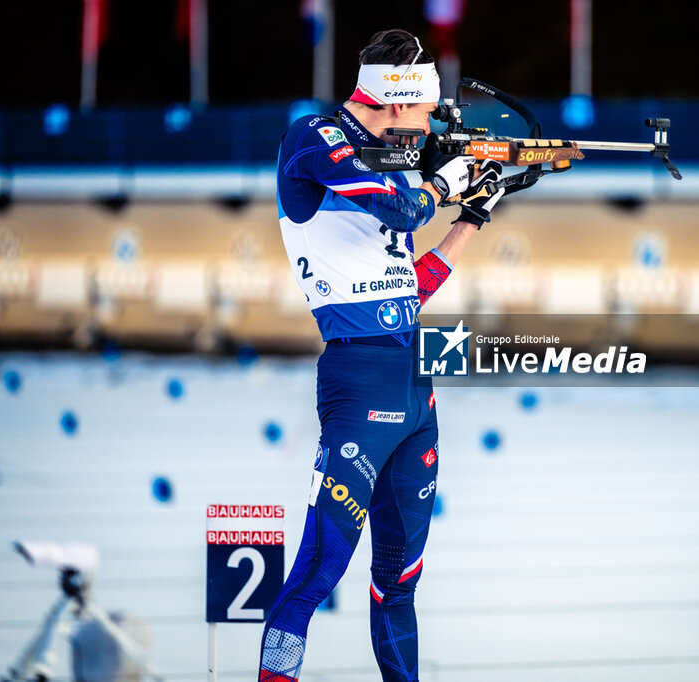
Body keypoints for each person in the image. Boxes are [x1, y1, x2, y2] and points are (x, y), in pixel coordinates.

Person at [259, 29, 506, 682]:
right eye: (424, 113)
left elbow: (406, 291)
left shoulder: (383, 169)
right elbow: (400, 206)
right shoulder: (315, 139)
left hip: (414, 378)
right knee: (317, 572)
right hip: (360, 379)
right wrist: (450, 180)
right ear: (395, 103)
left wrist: (472, 219)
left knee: (398, 585)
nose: (428, 128)